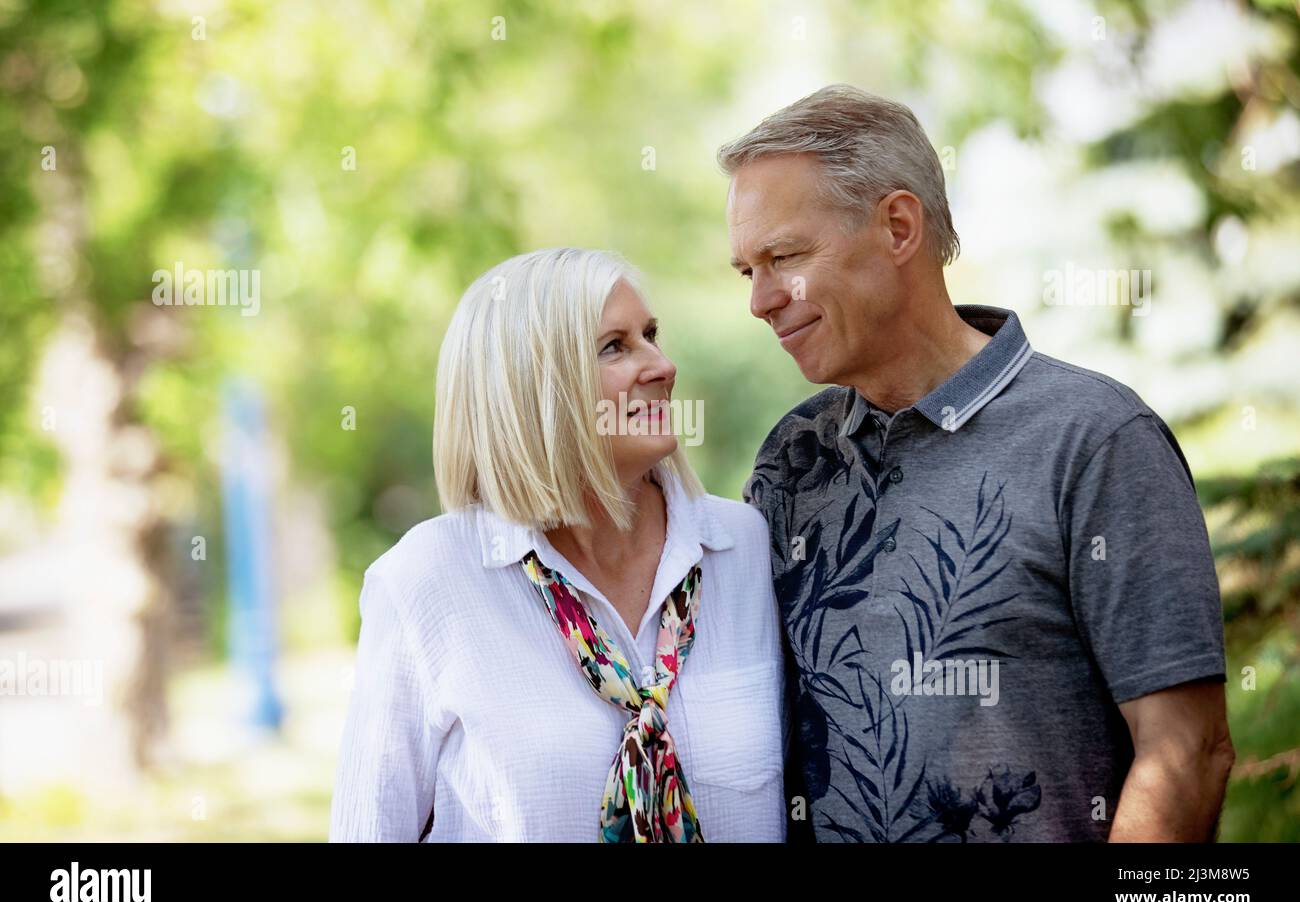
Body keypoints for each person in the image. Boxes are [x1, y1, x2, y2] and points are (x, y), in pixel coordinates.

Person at [719, 85, 1234, 843]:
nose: (761, 300)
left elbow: (1188, 751)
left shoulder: (1094, 439)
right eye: (745, 271)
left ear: (898, 226)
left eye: (784, 257)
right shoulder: (791, 462)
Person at [330, 247, 786, 842]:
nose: (663, 365)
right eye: (615, 346)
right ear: (534, 387)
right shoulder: (426, 580)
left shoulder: (746, 548)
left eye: (651, 335)